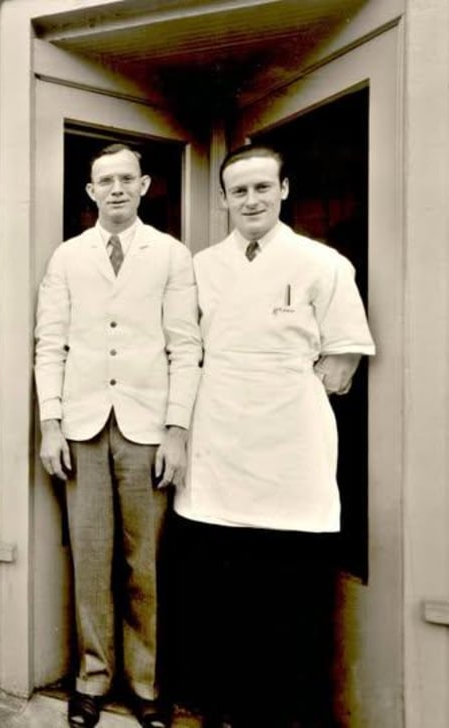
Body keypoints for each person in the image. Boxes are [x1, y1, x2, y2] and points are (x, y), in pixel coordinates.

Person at [170, 144, 375, 727]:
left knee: (290, 592)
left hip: (290, 445)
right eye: (239, 191)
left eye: (263, 187)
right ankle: (221, 707)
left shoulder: (322, 263)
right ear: (225, 200)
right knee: (221, 586)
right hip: (218, 443)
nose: (251, 200)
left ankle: (284, 714)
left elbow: (341, 364)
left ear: (284, 190)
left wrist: (281, 393)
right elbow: (186, 348)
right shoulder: (202, 267)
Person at [34, 143, 201, 728]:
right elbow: (49, 345)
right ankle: (92, 678)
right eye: (105, 180)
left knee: (144, 563)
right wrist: (50, 424)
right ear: (90, 191)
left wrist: (176, 431)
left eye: (127, 179)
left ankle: (146, 683)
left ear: (146, 185)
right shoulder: (67, 257)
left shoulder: (172, 255)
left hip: (147, 430)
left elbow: (186, 347)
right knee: (90, 558)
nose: (116, 189)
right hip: (81, 429)